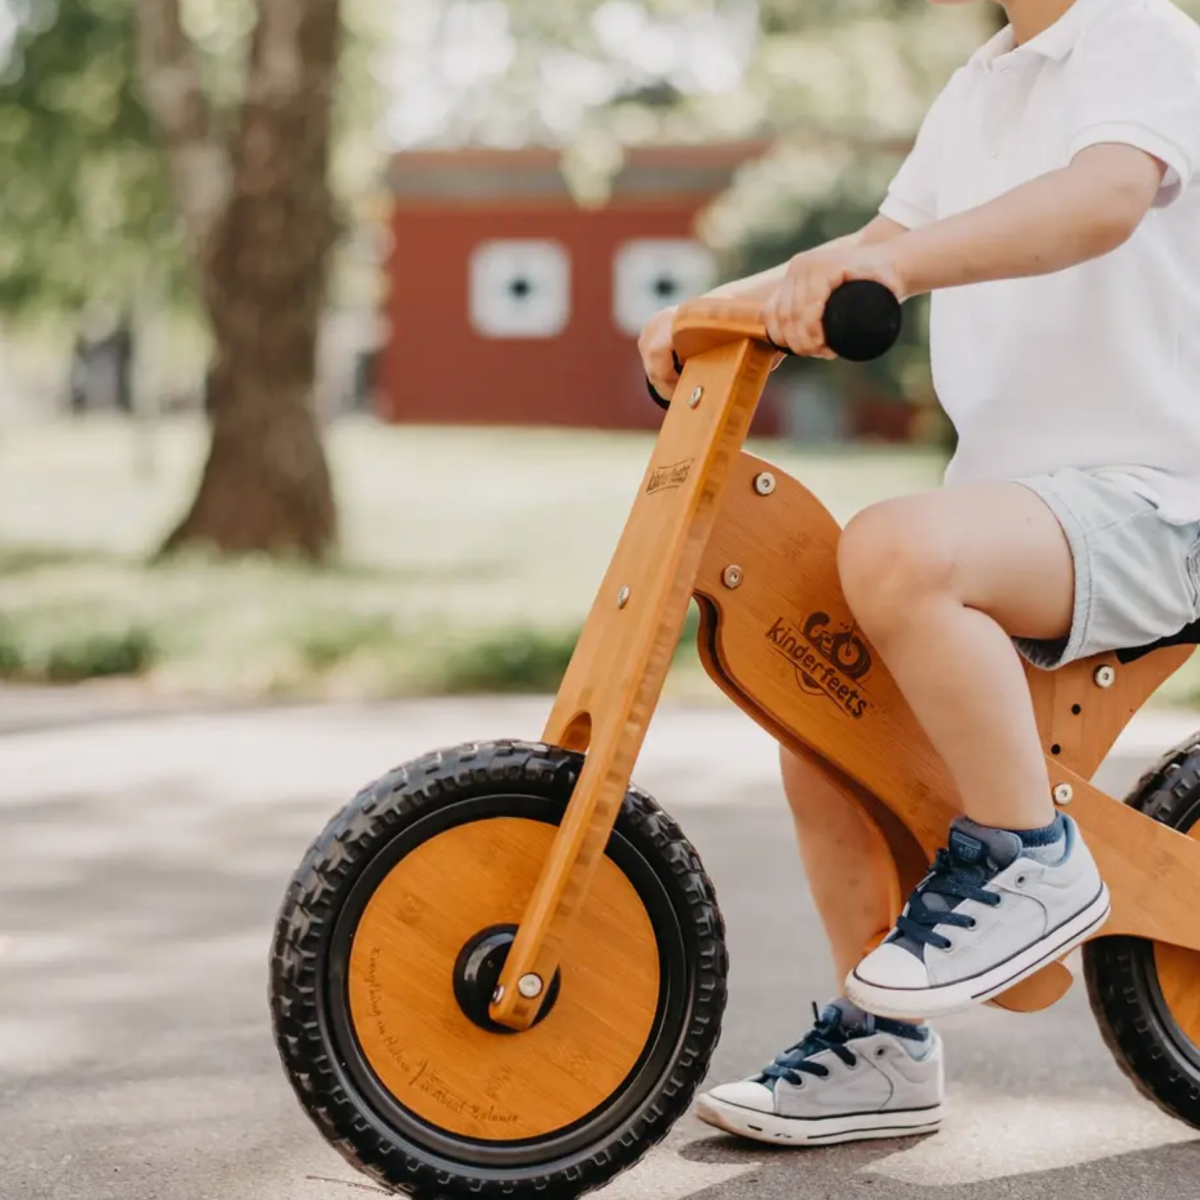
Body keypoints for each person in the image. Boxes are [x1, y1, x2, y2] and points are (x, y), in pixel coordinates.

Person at [639, 0, 1200, 1149]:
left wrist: (899, 267)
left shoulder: (1139, 34)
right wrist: (715, 312)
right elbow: (862, 252)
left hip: (1163, 499)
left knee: (889, 547)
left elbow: (1102, 199)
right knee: (820, 696)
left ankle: (1031, 861)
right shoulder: (981, 87)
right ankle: (879, 1045)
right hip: (1031, 514)